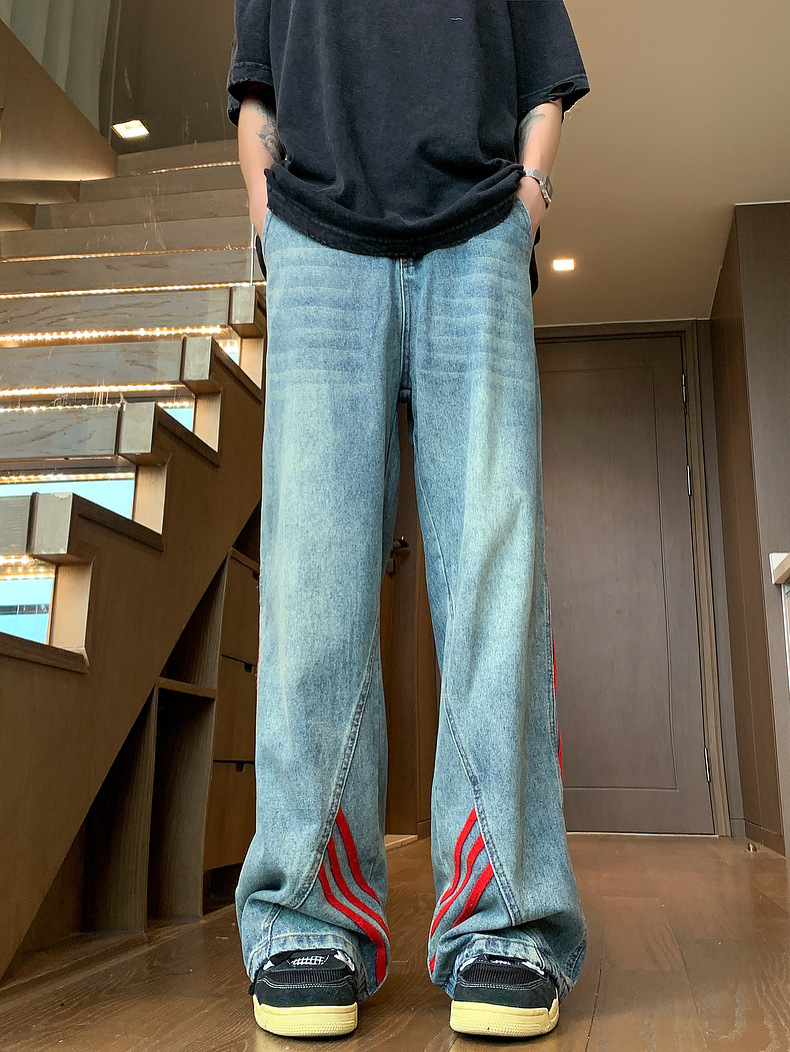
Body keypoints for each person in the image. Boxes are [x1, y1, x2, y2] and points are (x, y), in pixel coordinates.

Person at [227, 0, 590, 1039]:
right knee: (311, 579)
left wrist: (528, 200)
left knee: (495, 569)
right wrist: (267, 220)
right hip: (315, 239)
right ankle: (307, 914)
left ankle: (504, 919)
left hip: (478, 237)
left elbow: (545, 79)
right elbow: (255, 91)